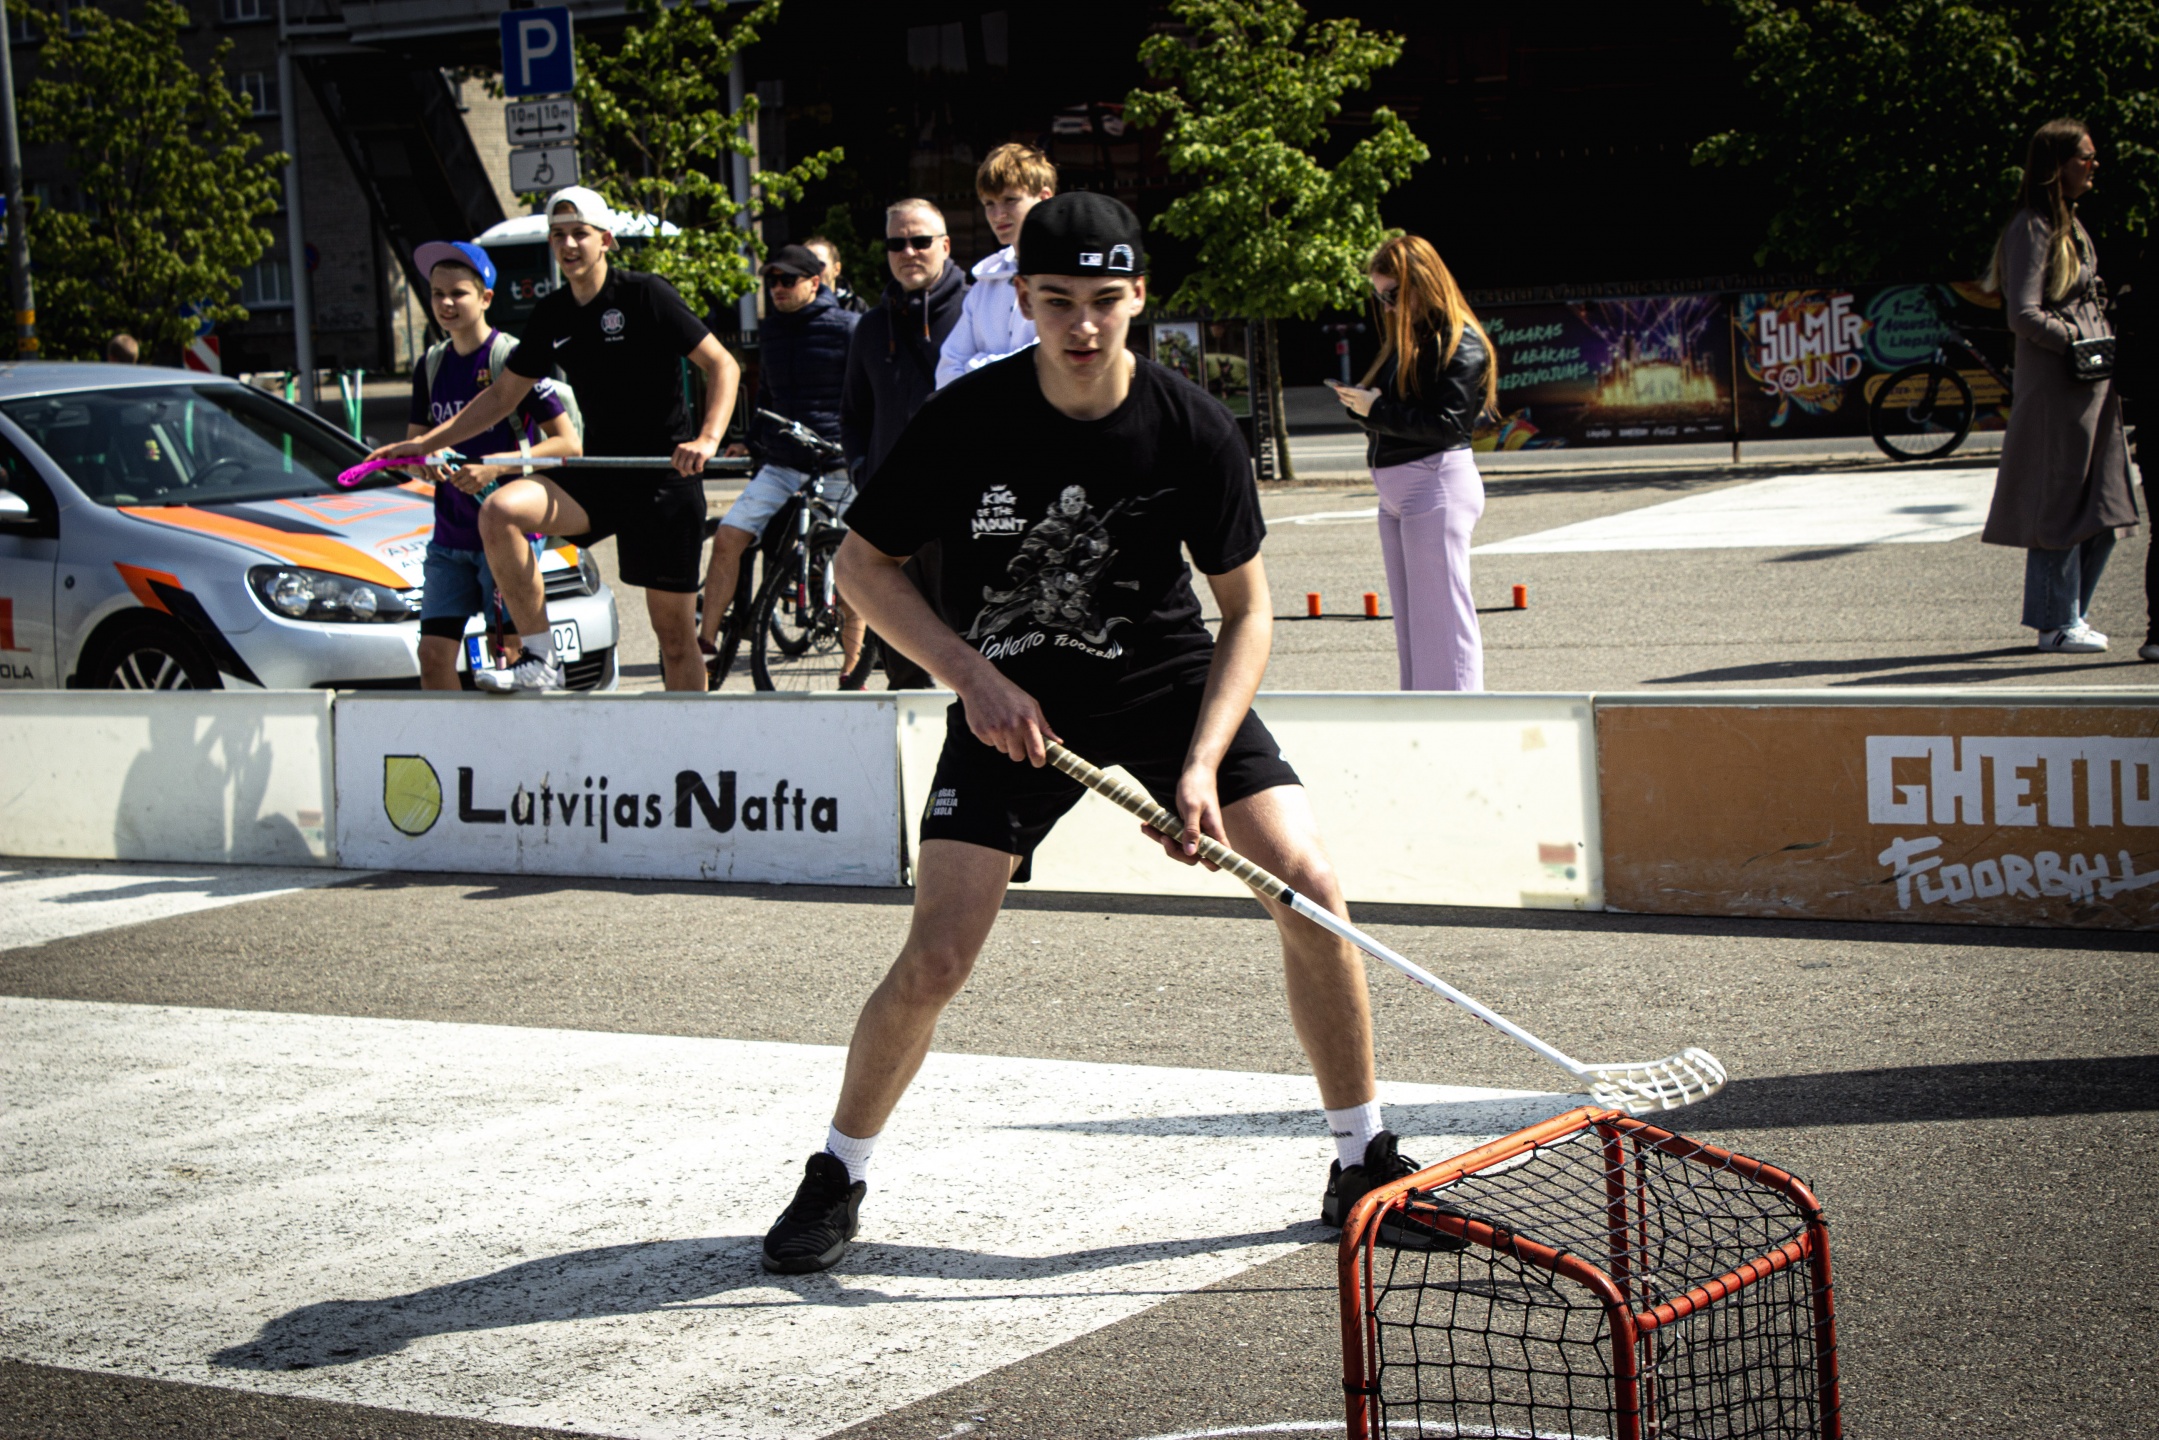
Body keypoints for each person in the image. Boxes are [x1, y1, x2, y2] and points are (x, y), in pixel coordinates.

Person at [762, 193, 1434, 1276]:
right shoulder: (965, 418)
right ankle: (836, 1173)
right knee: (936, 957)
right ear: (1022, 299)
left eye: (1105, 300)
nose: (1082, 325)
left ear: (1138, 298)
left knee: (1307, 885)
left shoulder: (1191, 424)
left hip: (1165, 685)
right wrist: (970, 677)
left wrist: (1200, 765)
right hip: (1009, 697)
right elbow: (860, 567)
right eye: (1057, 300)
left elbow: (1246, 612)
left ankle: (1361, 1159)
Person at [368, 186, 741, 692]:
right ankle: (541, 658)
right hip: (601, 474)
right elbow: (502, 396)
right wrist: (423, 443)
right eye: (558, 235)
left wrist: (708, 438)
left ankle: (691, 737)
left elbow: (722, 364)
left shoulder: (646, 294)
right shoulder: (553, 312)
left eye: (579, 234)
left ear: (605, 240)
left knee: (674, 637)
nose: (568, 244)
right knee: (500, 511)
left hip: (662, 478)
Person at [1981, 118, 2139, 655]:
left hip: (2091, 387)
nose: (2094, 165)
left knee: (2105, 508)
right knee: (2060, 507)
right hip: (2059, 389)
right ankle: (2055, 623)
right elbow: (2022, 314)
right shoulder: (2032, 227)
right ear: (2056, 165)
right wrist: (2075, 337)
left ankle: (2072, 614)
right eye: (2084, 157)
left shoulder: (2069, 223)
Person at [403, 240, 578, 690]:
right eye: (437, 293)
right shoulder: (431, 364)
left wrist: (496, 468)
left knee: (512, 656)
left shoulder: (513, 359)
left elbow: (567, 444)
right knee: (433, 655)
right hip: (449, 537)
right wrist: (427, 462)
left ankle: (529, 735)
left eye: (458, 293)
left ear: (485, 298)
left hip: (505, 533)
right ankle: (452, 735)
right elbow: (415, 449)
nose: (445, 303)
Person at [1329, 235, 1496, 692]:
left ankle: (1459, 719)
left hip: (1433, 481)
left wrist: (1376, 409)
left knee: (1444, 623)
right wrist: (1364, 406)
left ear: (1422, 283)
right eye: (1379, 296)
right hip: (1405, 488)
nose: (1386, 306)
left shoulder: (1460, 344)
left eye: (1393, 294)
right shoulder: (1410, 342)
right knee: (1413, 626)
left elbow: (1447, 425)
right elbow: (1407, 413)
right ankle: (1423, 714)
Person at [699, 244, 862, 682]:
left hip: (837, 461)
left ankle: (853, 668)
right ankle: (706, 644)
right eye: (771, 281)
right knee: (729, 536)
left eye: (788, 280)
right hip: (784, 461)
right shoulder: (771, 331)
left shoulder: (849, 327)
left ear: (815, 282)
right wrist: (749, 442)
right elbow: (768, 396)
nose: (777, 288)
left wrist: (860, 446)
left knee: (851, 562)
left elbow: (866, 394)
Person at [841, 198, 969, 688]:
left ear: (945, 246)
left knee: (977, 662)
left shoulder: (975, 312)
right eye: (897, 242)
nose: (908, 251)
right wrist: (864, 473)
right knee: (904, 669)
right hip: (893, 521)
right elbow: (853, 414)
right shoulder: (871, 327)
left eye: (920, 241)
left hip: (965, 519)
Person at [934, 143, 1056, 388]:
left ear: (1043, 198)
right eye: (989, 203)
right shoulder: (985, 282)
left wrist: (975, 366)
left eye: (1010, 200)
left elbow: (1049, 366)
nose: (998, 214)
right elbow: (946, 374)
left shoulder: (1067, 275)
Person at [802, 235, 869, 315]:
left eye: (820, 265)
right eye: (806, 266)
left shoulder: (854, 306)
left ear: (836, 269)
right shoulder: (793, 306)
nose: (812, 272)